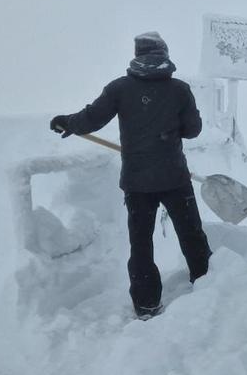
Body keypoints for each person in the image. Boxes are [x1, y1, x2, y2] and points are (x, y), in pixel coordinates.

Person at [50, 31, 212, 320]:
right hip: (174, 177)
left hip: (137, 183)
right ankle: (208, 286)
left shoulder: (120, 89)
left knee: (141, 245)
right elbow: (193, 130)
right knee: (192, 236)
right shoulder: (179, 90)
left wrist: (68, 123)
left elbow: (93, 118)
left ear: (137, 55)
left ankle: (147, 305)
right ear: (164, 53)